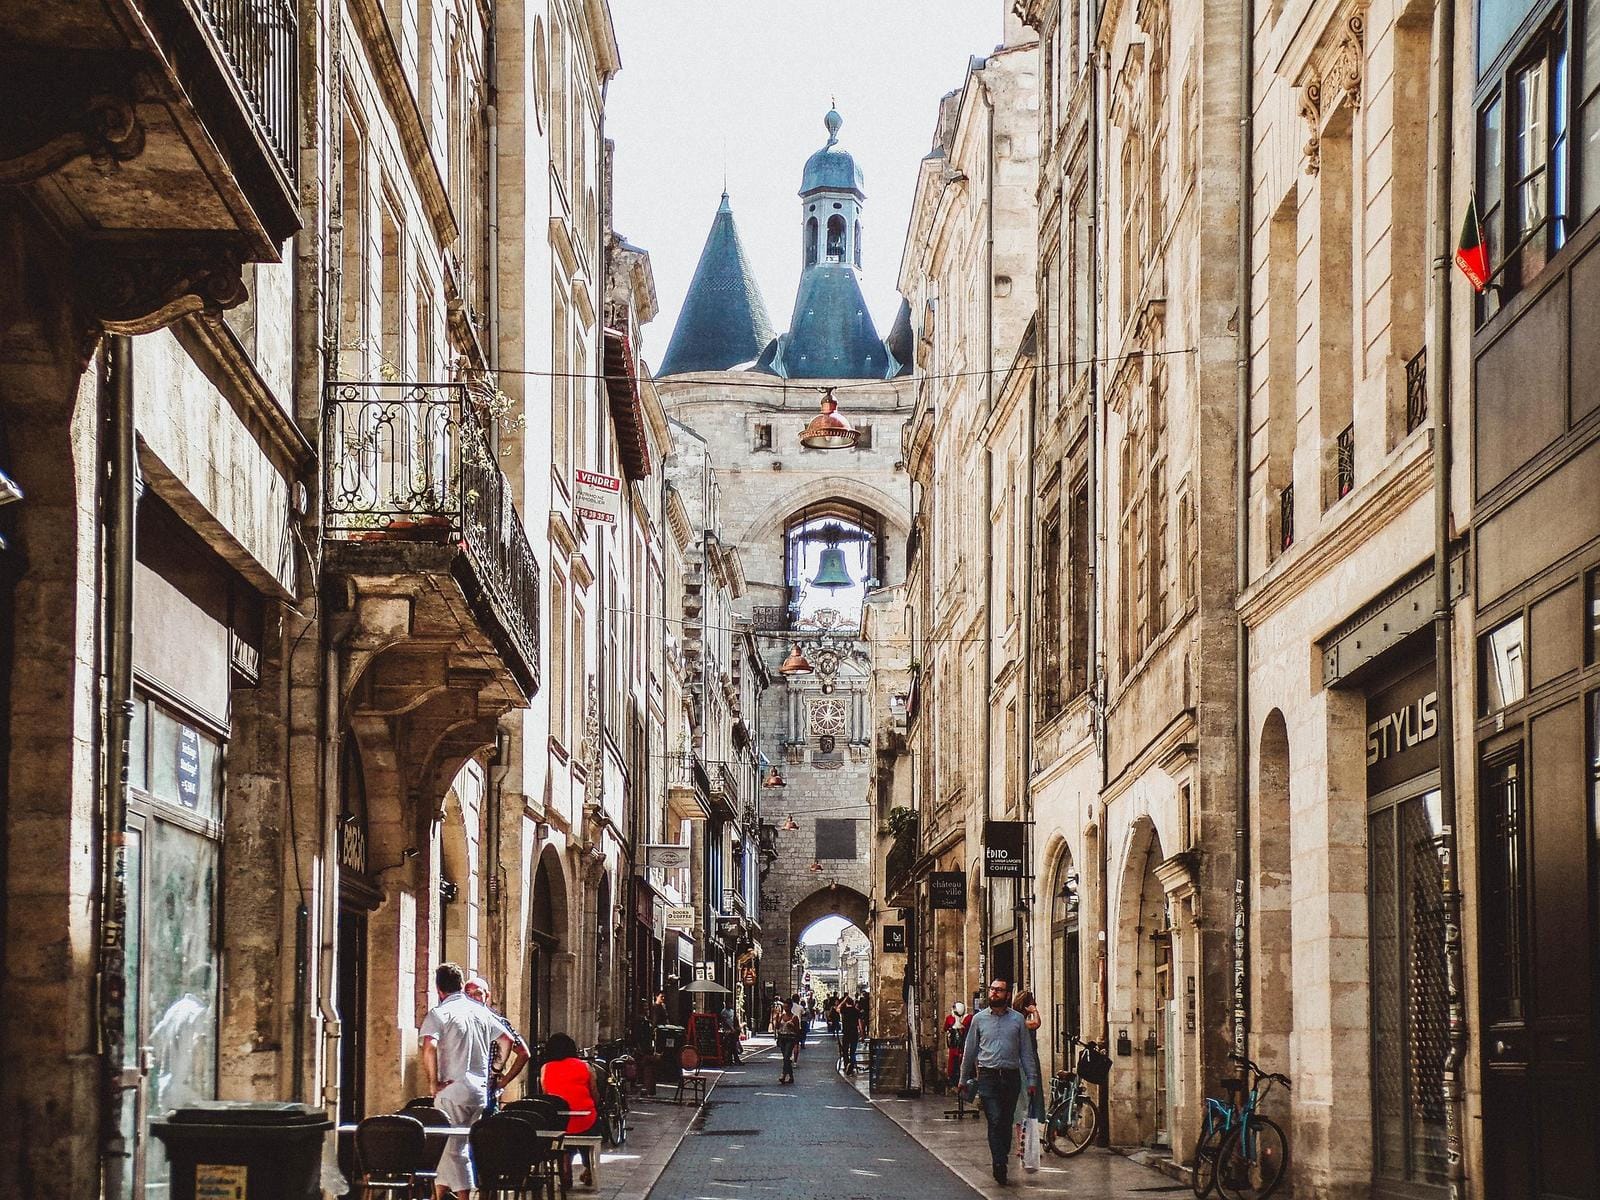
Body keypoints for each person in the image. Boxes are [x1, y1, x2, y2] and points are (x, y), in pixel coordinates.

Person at [420, 962, 516, 1200]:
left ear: (438, 989)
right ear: (461, 985)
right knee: (452, 1148)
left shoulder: (439, 1014)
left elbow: (429, 1047)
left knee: (454, 1151)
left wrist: (433, 1083)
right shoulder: (481, 1012)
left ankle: (463, 1197)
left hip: (452, 1090)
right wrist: (495, 1069)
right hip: (478, 1092)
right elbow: (507, 1040)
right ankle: (438, 1196)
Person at [958, 979, 1040, 1186]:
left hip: (1011, 1076)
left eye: (999, 990)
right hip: (988, 1076)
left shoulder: (1017, 1020)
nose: (994, 993)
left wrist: (1032, 1079)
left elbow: (1026, 1052)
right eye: (992, 989)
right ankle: (999, 1162)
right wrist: (962, 1078)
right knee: (994, 1119)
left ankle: (1001, 1155)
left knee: (1005, 1120)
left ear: (1007, 995)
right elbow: (970, 1050)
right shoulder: (979, 1019)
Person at [539, 1032, 602, 1188]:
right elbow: (594, 1094)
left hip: (560, 1122)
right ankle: (589, 1167)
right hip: (586, 1120)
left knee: (564, 1129)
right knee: (589, 1125)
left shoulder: (545, 1068)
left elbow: (547, 1095)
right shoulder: (586, 1067)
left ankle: (565, 1169)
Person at [464, 975, 530, 1113]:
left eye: (478, 994)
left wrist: (501, 1080)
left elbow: (523, 1053)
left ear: (487, 996)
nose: (472, 998)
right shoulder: (459, 1021)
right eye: (468, 994)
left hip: (485, 1091)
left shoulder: (498, 1022)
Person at [1011, 990, 1045, 1167]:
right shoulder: (1021, 1022)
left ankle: (1024, 1144)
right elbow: (1037, 1023)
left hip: (1028, 1062)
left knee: (1027, 1103)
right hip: (1025, 1064)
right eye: (1032, 1002)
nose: (1035, 1005)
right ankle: (1022, 1145)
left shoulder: (1016, 1020)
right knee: (1025, 1103)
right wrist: (1035, 1011)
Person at [944, 1002, 971, 1089]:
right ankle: (953, 1080)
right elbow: (946, 1029)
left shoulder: (968, 1018)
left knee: (963, 1063)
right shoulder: (950, 1018)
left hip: (964, 1045)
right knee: (952, 1064)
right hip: (954, 1046)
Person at [773, 1002, 801, 1083]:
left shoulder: (794, 1017)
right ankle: (791, 1077)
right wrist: (776, 1019)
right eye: (784, 1007)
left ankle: (783, 1074)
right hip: (782, 1038)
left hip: (790, 1039)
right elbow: (777, 1027)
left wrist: (792, 1026)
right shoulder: (782, 1016)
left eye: (787, 1007)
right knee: (786, 1058)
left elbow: (797, 1030)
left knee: (786, 1057)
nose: (785, 1009)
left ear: (791, 1007)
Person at [838, 995, 862, 1076]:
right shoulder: (856, 1011)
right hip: (854, 1033)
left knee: (845, 1050)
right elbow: (859, 1023)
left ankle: (846, 1065)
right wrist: (862, 1033)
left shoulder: (844, 1010)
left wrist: (843, 1001)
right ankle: (851, 1065)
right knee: (852, 1051)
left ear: (846, 1003)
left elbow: (837, 1008)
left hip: (846, 1033)